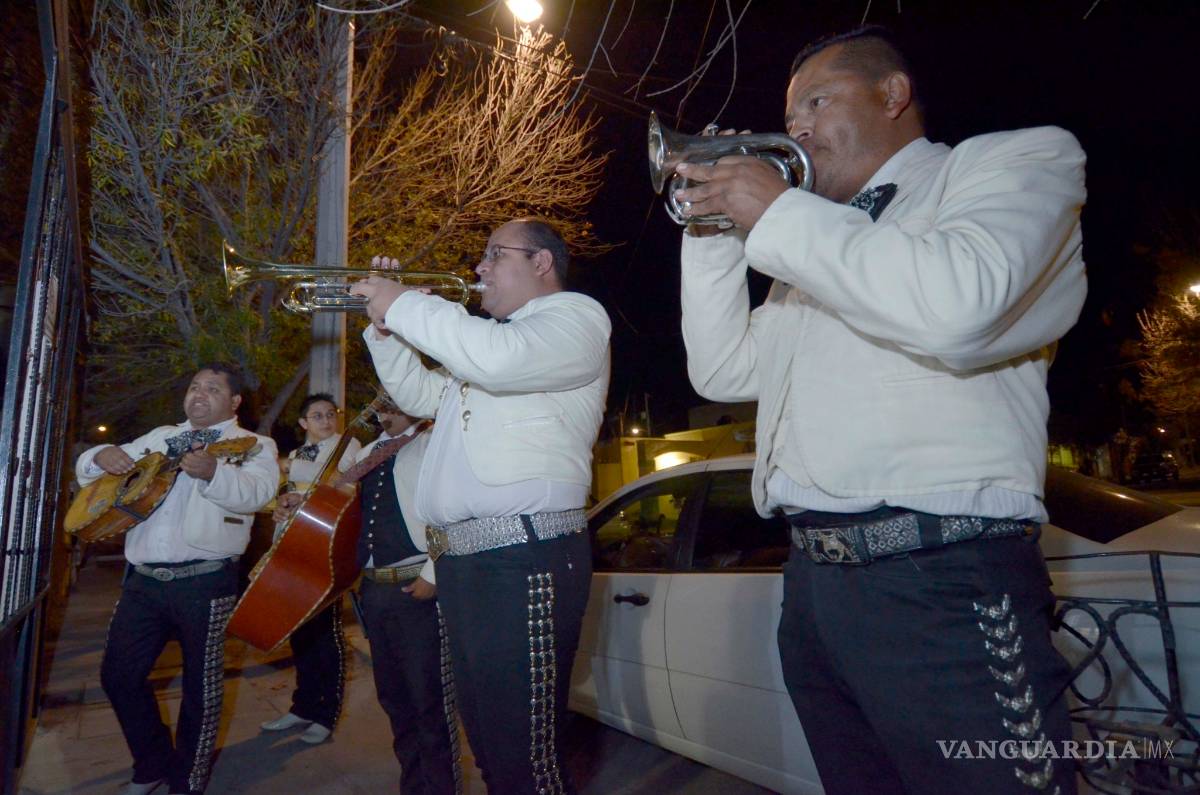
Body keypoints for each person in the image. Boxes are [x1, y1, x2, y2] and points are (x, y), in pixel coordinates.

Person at [672, 26, 1086, 795]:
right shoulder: (815, 245)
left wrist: (779, 215)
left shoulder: (1013, 161)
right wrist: (711, 228)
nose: (793, 129)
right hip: (818, 592)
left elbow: (959, 307)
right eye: (789, 112)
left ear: (892, 95)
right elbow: (725, 367)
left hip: (943, 580)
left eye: (817, 103)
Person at [349, 217, 611, 794]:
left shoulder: (574, 318)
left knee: (525, 757)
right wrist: (386, 327)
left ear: (541, 263)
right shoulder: (492, 347)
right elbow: (420, 395)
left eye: (495, 255)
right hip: (468, 565)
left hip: (525, 555)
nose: (478, 268)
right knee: (491, 747)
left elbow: (496, 359)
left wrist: (406, 305)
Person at [76, 364, 279, 795]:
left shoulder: (254, 445)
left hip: (205, 583)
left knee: (201, 691)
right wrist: (99, 455)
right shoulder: (159, 437)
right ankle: (151, 766)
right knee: (118, 676)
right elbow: (89, 471)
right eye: (193, 387)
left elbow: (258, 494)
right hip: (143, 581)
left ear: (235, 401)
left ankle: (186, 782)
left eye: (212, 388)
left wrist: (213, 473)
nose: (199, 394)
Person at [331, 406, 460, 794]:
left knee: (429, 703)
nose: (385, 410)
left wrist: (433, 573)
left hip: (416, 587)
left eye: (394, 401)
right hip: (375, 590)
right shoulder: (364, 455)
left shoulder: (433, 443)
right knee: (395, 700)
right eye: (382, 404)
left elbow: (454, 510)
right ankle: (414, 786)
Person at [260, 393, 361, 744]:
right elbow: (287, 493)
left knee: (326, 634)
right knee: (300, 632)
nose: (325, 420)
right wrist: (280, 505)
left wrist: (307, 498)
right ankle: (302, 707)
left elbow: (348, 490)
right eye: (316, 416)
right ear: (303, 423)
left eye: (330, 414)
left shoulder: (347, 446)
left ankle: (325, 714)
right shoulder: (298, 455)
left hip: (325, 544)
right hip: (291, 545)